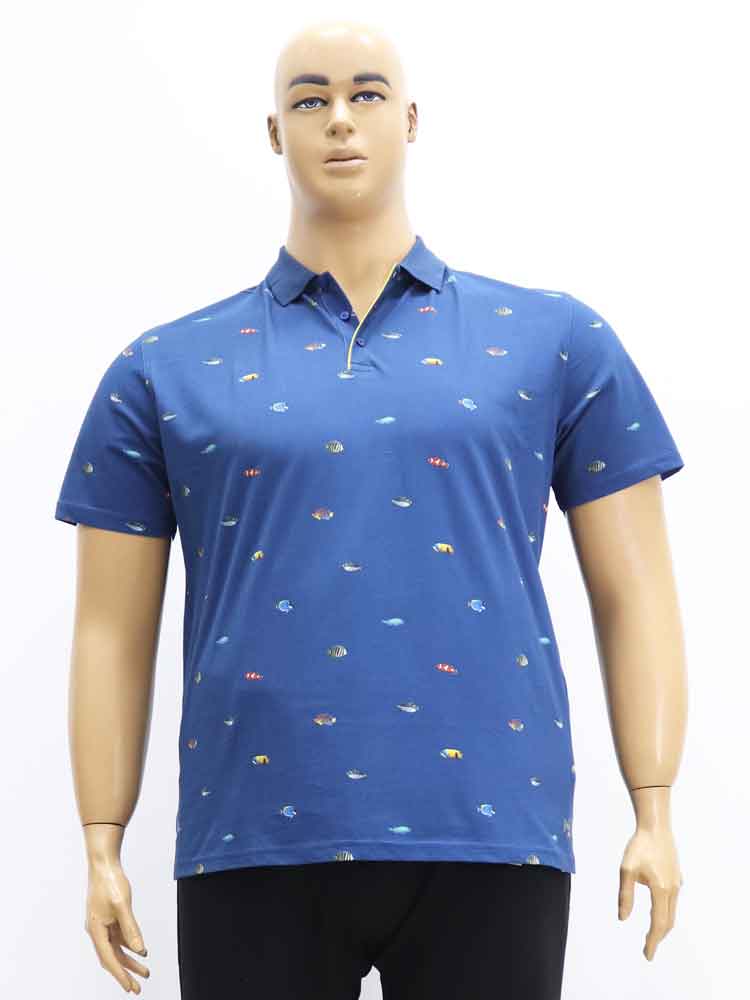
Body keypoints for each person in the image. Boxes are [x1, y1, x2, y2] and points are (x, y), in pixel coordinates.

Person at [54, 18, 687, 1000]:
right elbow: (108, 628)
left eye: (367, 93)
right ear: (275, 132)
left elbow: (636, 591)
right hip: (252, 832)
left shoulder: (553, 340)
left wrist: (656, 804)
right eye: (310, 99)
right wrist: (102, 840)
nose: (340, 119)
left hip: (492, 828)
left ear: (412, 119)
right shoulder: (164, 369)